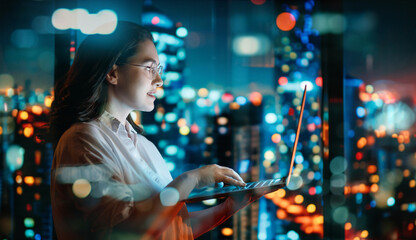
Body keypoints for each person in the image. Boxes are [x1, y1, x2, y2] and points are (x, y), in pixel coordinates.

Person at [50, 21, 264, 240]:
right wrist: (192, 179)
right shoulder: (82, 139)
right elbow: (126, 231)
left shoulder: (144, 146)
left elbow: (173, 227)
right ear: (113, 73)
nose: (159, 80)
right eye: (149, 68)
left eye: (158, 70)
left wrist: (229, 208)